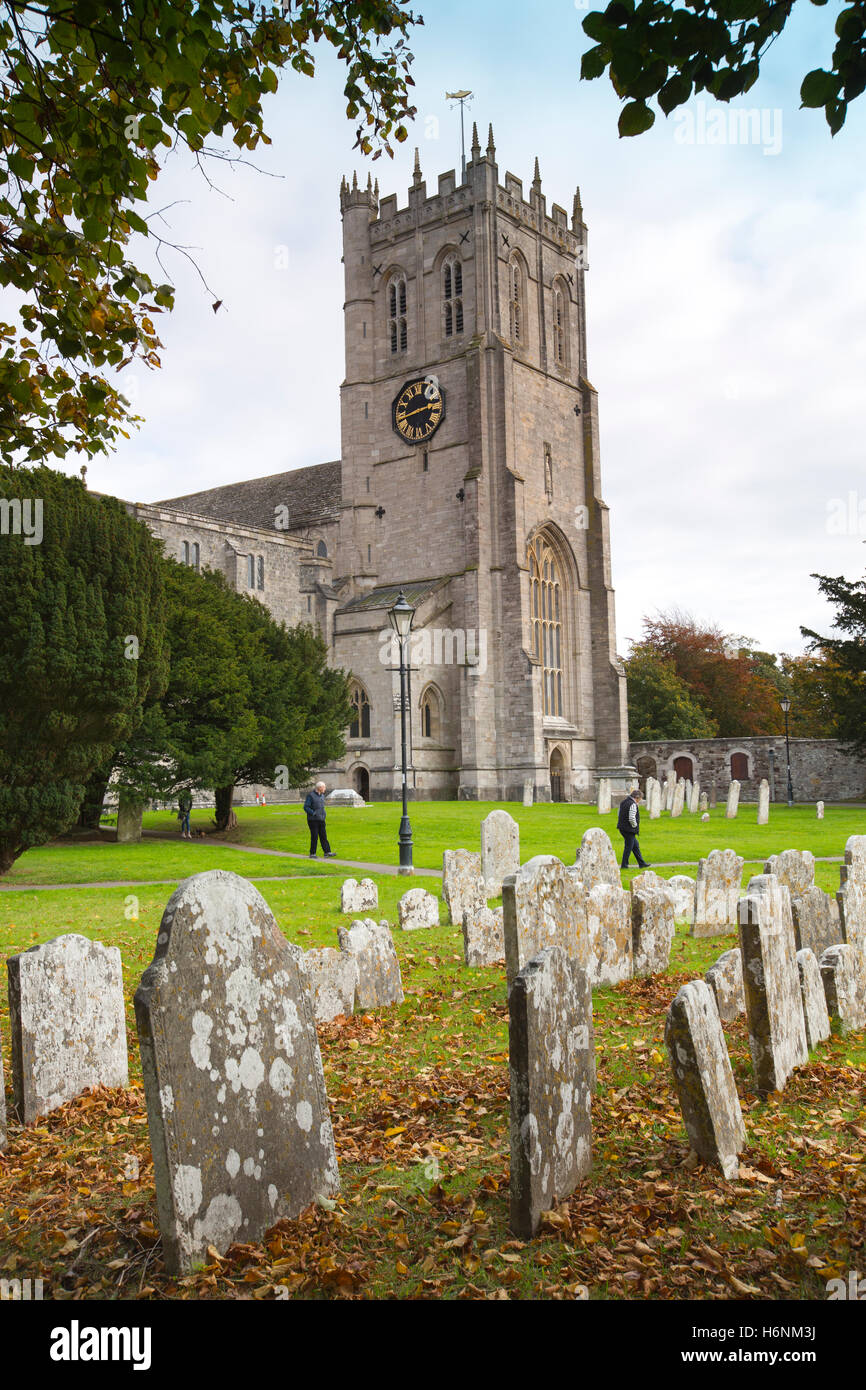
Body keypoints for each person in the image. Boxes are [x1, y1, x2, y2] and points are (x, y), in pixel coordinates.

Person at [616, 786, 651, 869]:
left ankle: (641, 863)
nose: (640, 801)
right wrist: (635, 826)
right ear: (637, 797)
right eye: (640, 799)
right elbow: (632, 817)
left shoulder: (623, 802)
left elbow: (618, 813)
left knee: (635, 845)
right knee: (628, 847)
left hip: (622, 827)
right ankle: (624, 865)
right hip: (629, 829)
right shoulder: (633, 804)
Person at [303, 781, 336, 858]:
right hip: (313, 820)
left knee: (323, 836)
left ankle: (327, 852)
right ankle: (312, 853)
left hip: (321, 819)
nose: (325, 788)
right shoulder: (310, 796)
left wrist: (324, 814)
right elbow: (306, 807)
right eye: (324, 787)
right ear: (320, 788)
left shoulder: (322, 796)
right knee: (314, 837)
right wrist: (313, 813)